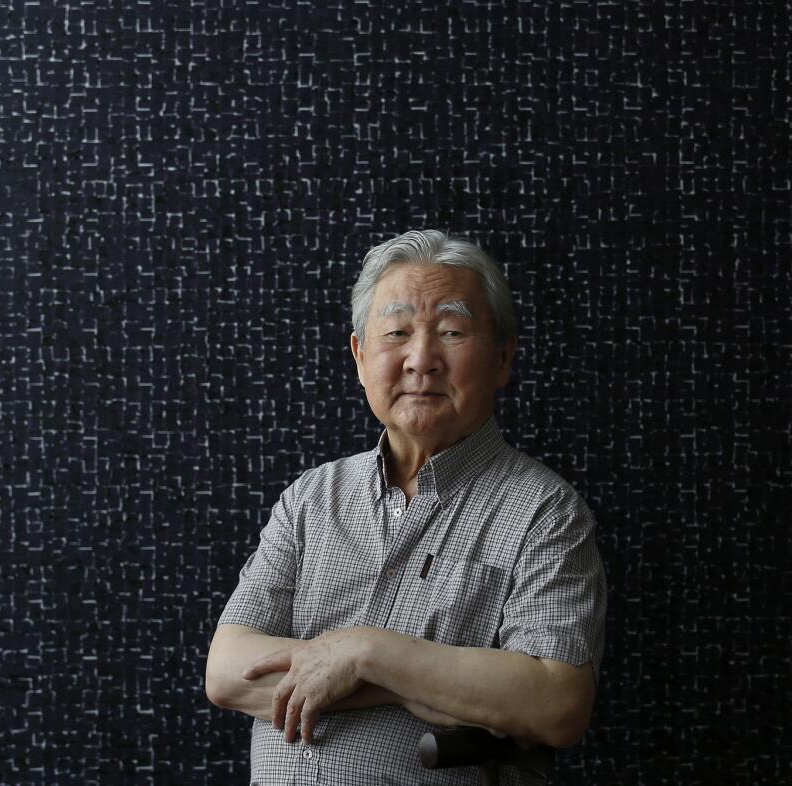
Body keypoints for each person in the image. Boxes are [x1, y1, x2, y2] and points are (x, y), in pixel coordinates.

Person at [205, 230, 607, 785]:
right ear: (360, 355)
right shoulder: (311, 498)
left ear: (502, 357)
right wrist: (426, 687)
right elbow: (226, 673)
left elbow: (556, 703)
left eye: (451, 332)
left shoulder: (547, 512)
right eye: (396, 332)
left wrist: (367, 653)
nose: (422, 359)